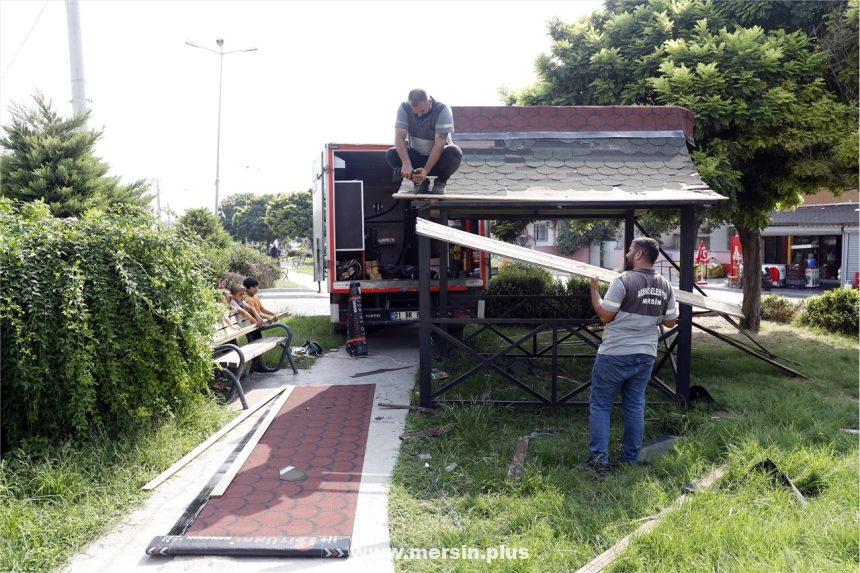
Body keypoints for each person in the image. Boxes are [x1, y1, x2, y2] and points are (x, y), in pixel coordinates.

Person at [588, 237, 678, 476]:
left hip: (615, 354)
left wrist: (594, 290)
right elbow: (670, 321)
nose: (627, 252)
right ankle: (629, 461)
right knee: (635, 406)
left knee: (601, 405)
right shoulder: (665, 285)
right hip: (645, 354)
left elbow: (605, 316)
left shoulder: (623, 280)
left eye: (630, 249)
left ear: (638, 254)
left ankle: (599, 463)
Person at [385, 89, 462, 195]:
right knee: (391, 154)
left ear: (430, 102)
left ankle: (441, 182)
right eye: (415, 112)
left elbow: (439, 144)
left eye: (422, 111)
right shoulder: (404, 108)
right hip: (417, 159)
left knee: (454, 152)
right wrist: (406, 163)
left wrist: (426, 170)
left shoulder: (442, 110)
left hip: (439, 160)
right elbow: (399, 137)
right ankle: (419, 181)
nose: (419, 115)